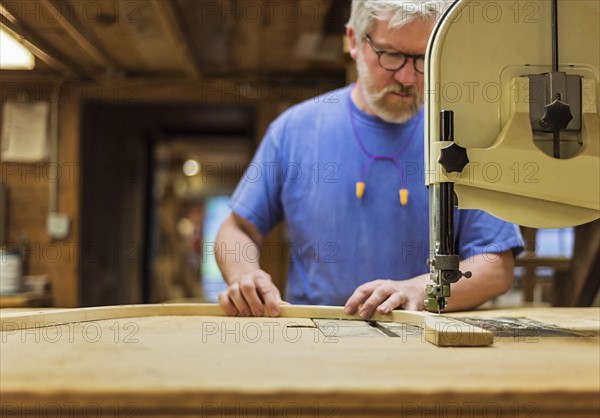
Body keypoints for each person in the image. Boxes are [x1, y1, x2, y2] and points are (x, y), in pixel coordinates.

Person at [215, 0, 524, 319]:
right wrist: (244, 275)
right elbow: (237, 228)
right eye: (391, 55)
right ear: (353, 41)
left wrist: (423, 289)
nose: (408, 76)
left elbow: (496, 263)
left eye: (424, 58)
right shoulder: (293, 130)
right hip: (313, 340)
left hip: (425, 341)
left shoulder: (467, 136)